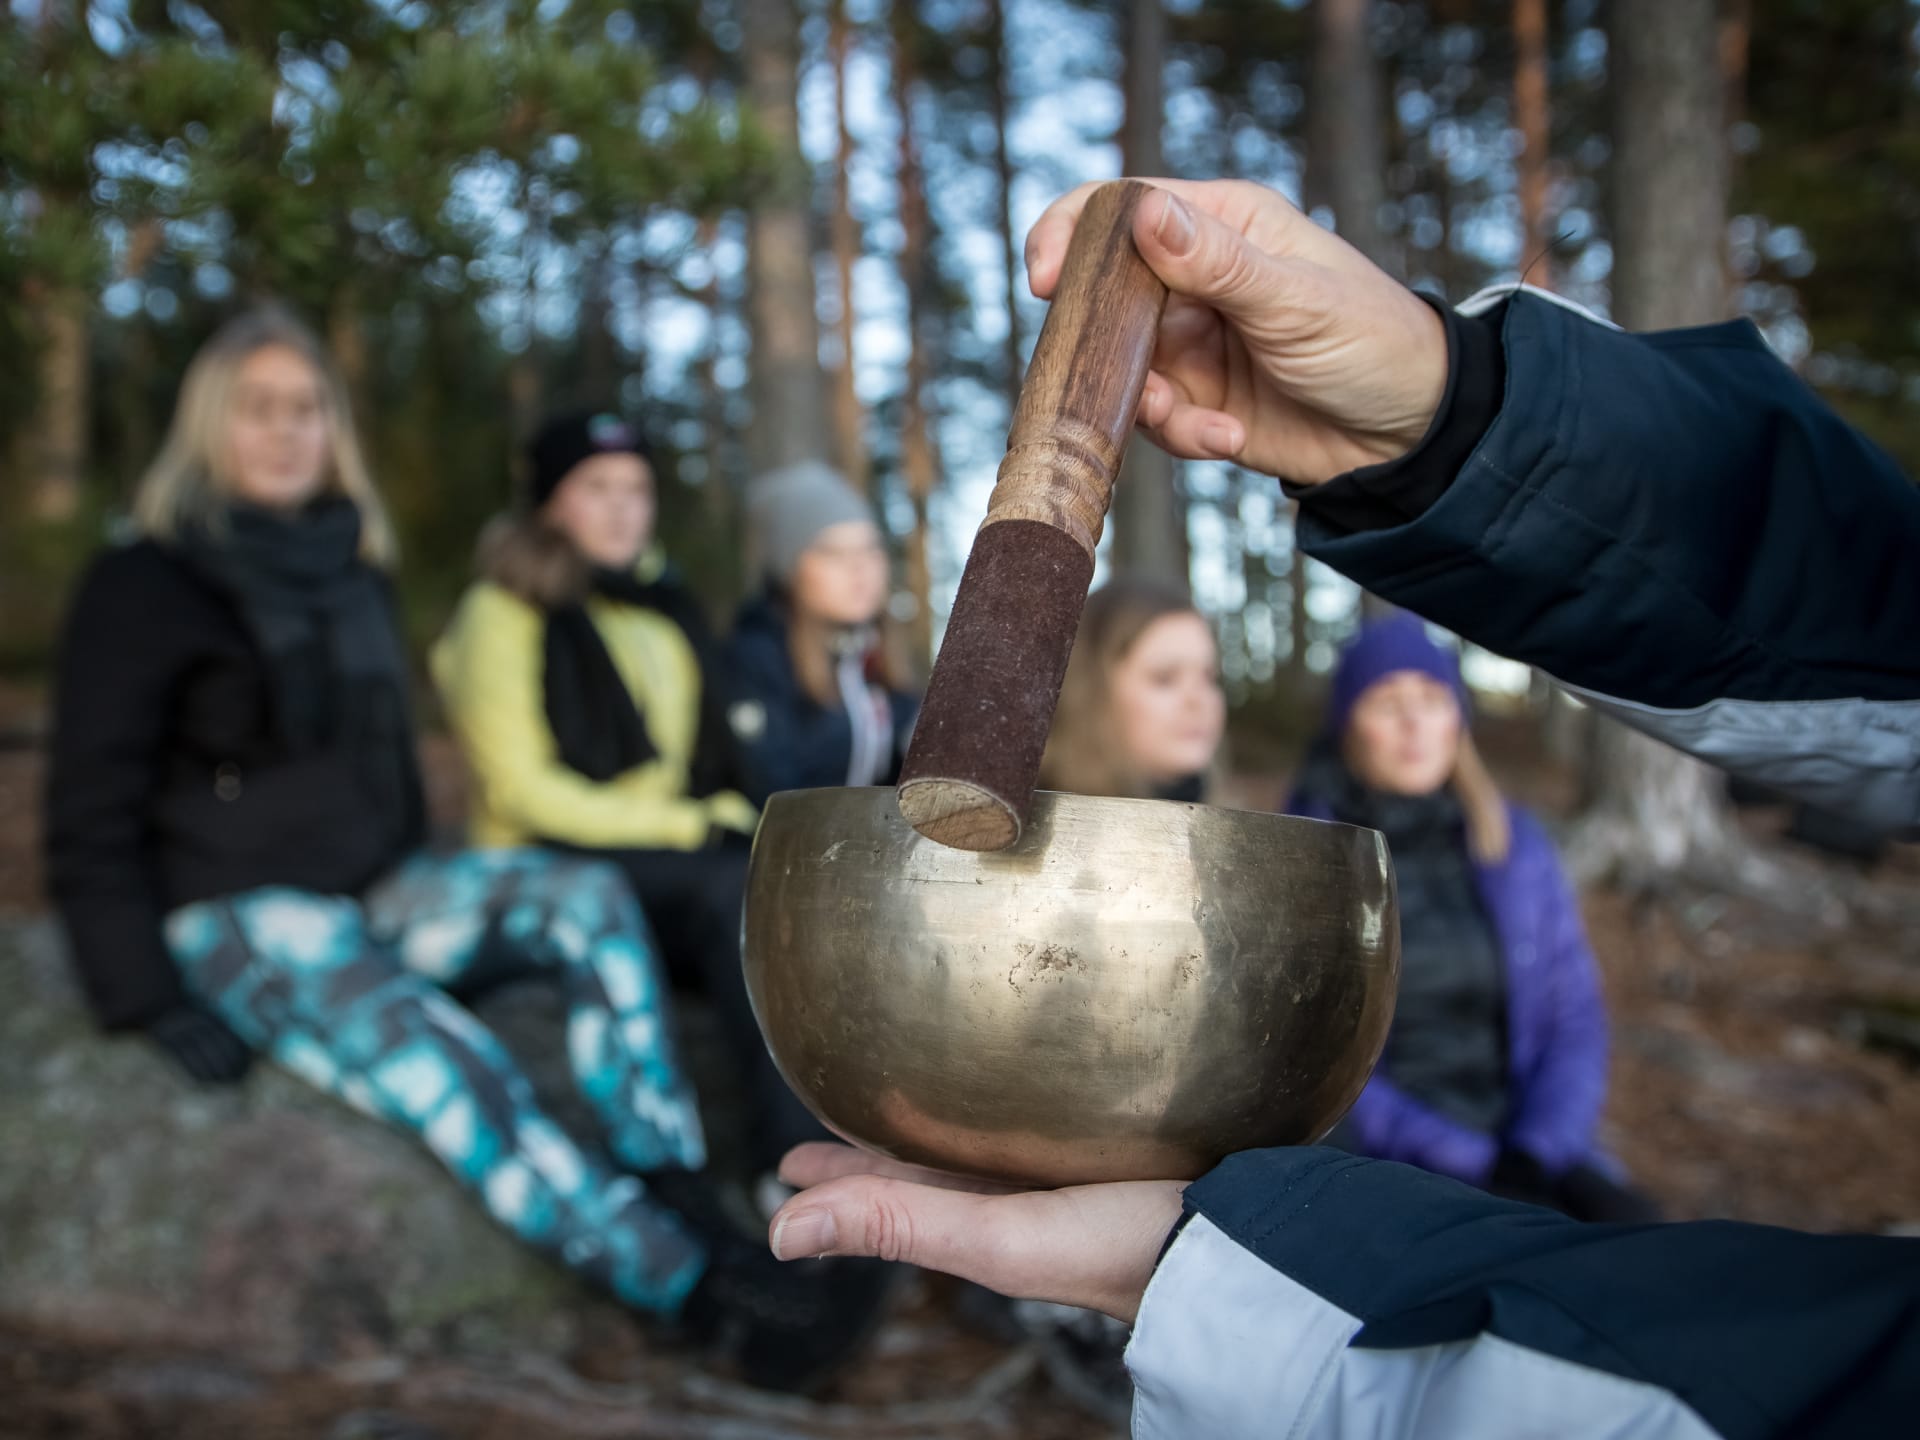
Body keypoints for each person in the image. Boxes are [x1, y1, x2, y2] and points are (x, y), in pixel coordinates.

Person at [760, 178, 1920, 1437]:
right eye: (1166, 678)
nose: (1423, 727)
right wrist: (1453, 409)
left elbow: (1569, 1022)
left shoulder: (1484, 844)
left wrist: (1242, 1280)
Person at [41, 313, 873, 1394]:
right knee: (456, 1062)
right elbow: (87, 805)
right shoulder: (146, 582)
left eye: (307, 410)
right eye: (259, 410)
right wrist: (141, 992)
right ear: (209, 425)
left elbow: (382, 769)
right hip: (240, 909)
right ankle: (703, 1301)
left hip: (379, 886)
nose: (287, 433)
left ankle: (679, 1191)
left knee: (584, 896)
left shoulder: (352, 566)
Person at [431, 412, 820, 1172]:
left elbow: (707, 764)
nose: (621, 508)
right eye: (596, 488)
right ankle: (796, 1168)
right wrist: (687, 826)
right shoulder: (501, 609)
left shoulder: (661, 611)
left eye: (637, 489)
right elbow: (519, 791)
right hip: (540, 864)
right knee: (730, 892)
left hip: (655, 856)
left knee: (789, 882)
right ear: (549, 503)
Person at [1290, 615, 1657, 1222]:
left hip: (1527, 1151)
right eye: (1387, 702)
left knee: (1649, 1250)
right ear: (1347, 727)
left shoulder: (1515, 847)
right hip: (1388, 1165)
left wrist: (1541, 1150)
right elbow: (1311, 1063)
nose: (1414, 723)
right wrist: (1469, 1162)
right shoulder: (1307, 858)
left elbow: (1574, 1017)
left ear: (1457, 720)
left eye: (1432, 700)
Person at [722, 461, 918, 804]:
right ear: (791, 570)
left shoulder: (872, 660)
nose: (859, 568)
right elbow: (770, 795)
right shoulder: (753, 661)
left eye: (870, 548)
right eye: (832, 552)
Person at [1037, 577, 1226, 804]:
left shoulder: (1220, 820)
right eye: (1165, 678)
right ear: (1093, 690)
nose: (1198, 699)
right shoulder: (1039, 826)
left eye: (1208, 677)